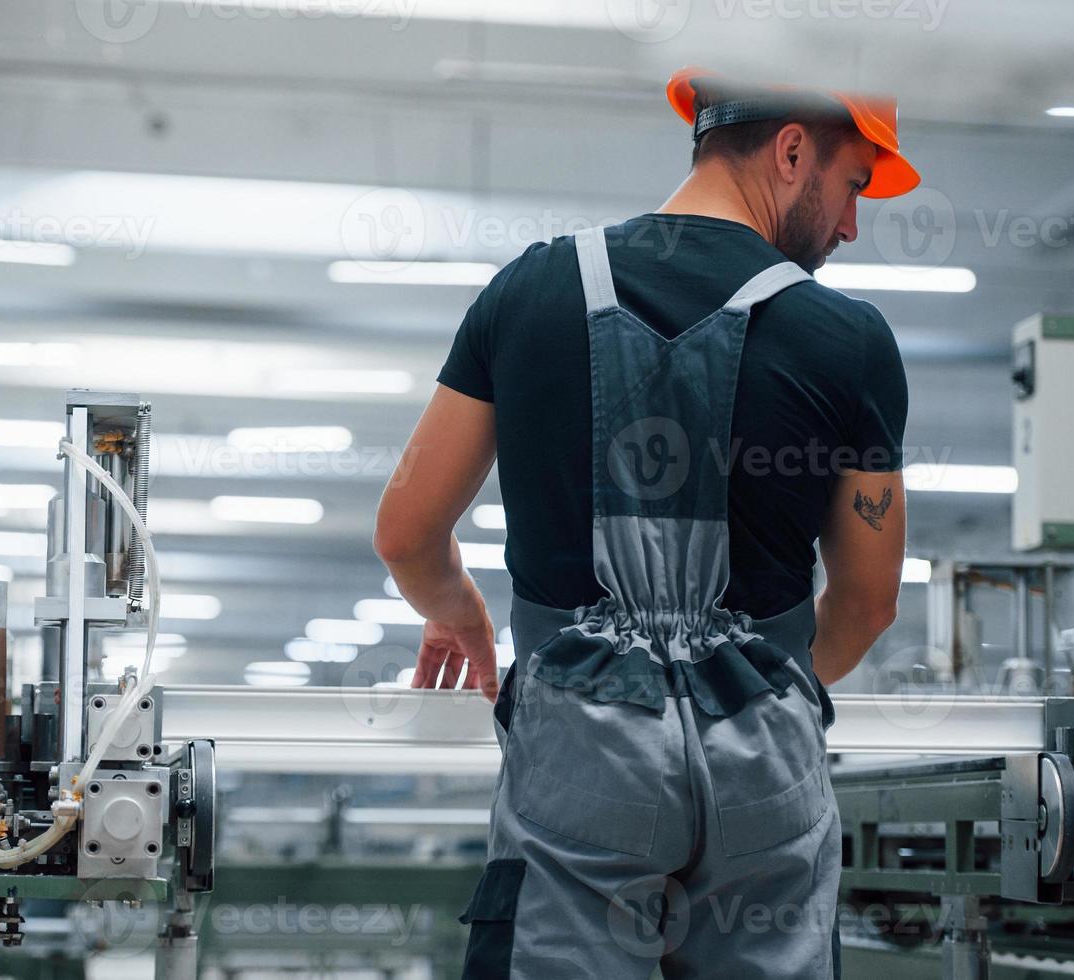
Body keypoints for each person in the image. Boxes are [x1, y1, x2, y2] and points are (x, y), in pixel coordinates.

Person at [375, 65, 918, 979]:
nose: (852, 224)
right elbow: (867, 606)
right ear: (792, 150)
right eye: (854, 185)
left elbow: (406, 534)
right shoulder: (851, 340)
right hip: (764, 775)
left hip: (583, 757)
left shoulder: (530, 292)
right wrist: (759, 686)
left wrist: (459, 612)